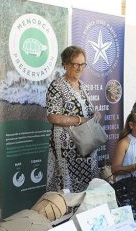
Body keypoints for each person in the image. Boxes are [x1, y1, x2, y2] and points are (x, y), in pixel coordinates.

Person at [45, 46, 101, 193]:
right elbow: (52, 116)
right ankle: (68, 213)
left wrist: (95, 114)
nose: (79, 68)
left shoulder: (83, 86)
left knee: (87, 184)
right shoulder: (56, 85)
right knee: (67, 185)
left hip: (86, 145)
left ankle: (84, 213)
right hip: (66, 146)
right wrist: (80, 120)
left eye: (82, 64)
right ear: (65, 64)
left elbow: (87, 111)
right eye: (75, 64)